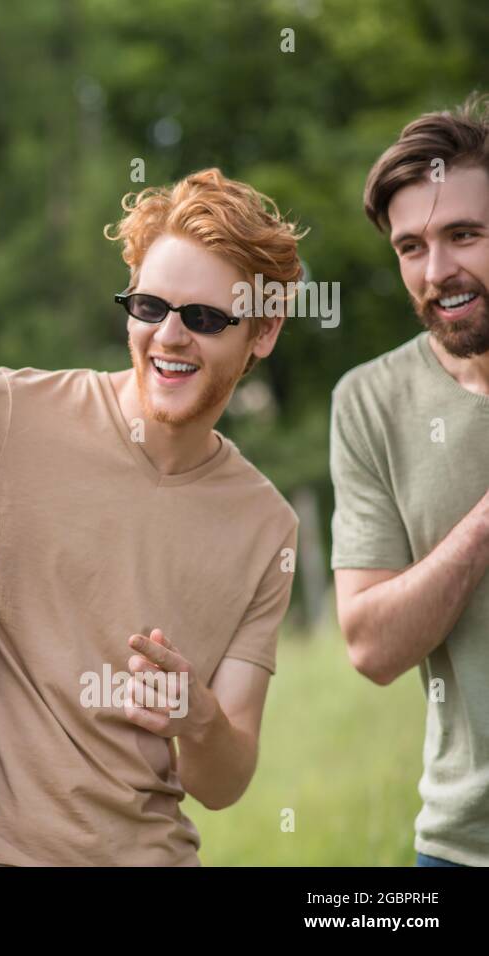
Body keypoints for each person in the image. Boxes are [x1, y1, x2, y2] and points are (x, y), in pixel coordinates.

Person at [0, 169, 301, 865]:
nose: (169, 336)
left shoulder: (268, 527)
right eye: (149, 306)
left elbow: (224, 782)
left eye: (204, 317)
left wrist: (198, 721)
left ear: (262, 332)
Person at [332, 94, 489, 868]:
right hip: (461, 847)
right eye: (411, 247)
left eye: (465, 234)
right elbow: (370, 645)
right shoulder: (371, 402)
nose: (438, 271)